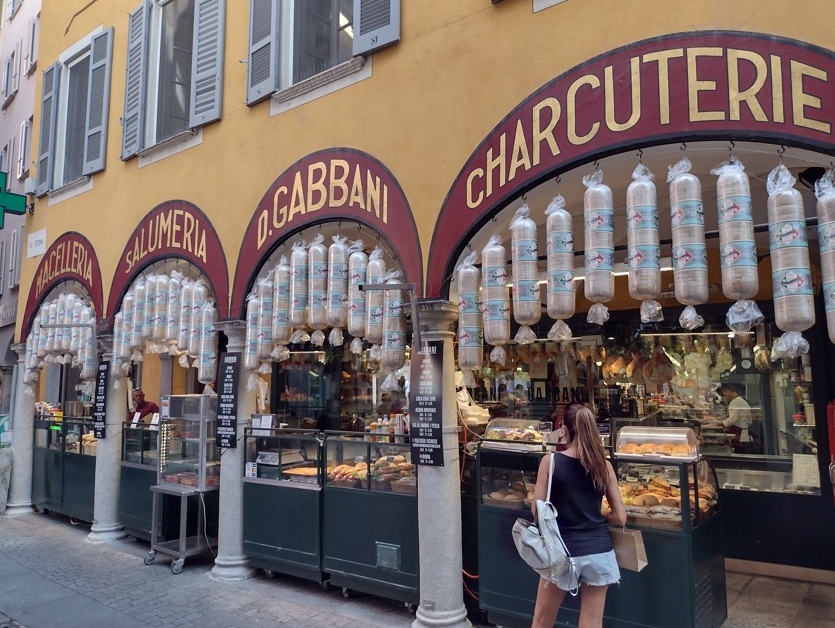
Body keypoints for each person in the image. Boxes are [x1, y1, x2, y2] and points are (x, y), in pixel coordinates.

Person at [531, 406, 626, 628]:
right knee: (592, 622)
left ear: (564, 430)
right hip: (599, 551)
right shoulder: (605, 465)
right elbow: (620, 517)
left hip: (561, 551)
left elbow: (537, 510)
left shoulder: (550, 462)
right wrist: (594, 512)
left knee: (542, 620)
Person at [712, 383, 752, 452]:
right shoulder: (742, 401)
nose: (725, 397)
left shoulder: (734, 402)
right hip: (745, 436)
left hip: (739, 436)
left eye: (724, 395)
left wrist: (719, 424)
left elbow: (732, 419)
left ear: (728, 391)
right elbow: (749, 421)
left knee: (739, 455)